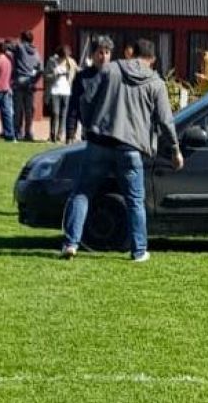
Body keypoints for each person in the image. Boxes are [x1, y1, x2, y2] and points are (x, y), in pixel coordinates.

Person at [61, 38, 184, 262]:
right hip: (130, 148)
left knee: (82, 193)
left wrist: (89, 125)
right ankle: (138, 250)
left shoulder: (110, 70)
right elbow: (166, 121)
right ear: (153, 60)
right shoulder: (155, 82)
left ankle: (71, 243)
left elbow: (86, 100)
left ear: (131, 53)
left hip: (99, 142)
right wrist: (175, 150)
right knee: (135, 200)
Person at [0, 29, 42, 141]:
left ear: (22, 38)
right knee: (29, 110)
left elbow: (3, 45)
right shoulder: (36, 52)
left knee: (17, 108)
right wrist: (34, 81)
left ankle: (17, 132)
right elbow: (41, 69)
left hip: (19, 81)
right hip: (30, 83)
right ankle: (28, 132)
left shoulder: (20, 47)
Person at [65, 36, 114, 143]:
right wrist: (70, 134)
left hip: (111, 133)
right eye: (100, 52)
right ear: (92, 55)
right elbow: (74, 107)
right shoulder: (82, 77)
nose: (104, 57)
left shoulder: (116, 76)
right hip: (89, 132)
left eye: (107, 52)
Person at [44, 45, 78, 143]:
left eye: (66, 56)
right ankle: (52, 135)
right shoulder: (52, 62)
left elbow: (78, 70)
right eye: (63, 57)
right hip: (54, 91)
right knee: (55, 113)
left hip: (66, 91)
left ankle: (60, 135)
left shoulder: (71, 62)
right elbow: (46, 76)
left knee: (64, 114)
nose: (64, 58)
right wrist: (55, 74)